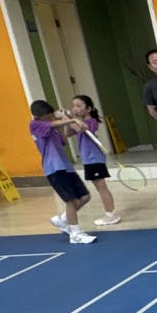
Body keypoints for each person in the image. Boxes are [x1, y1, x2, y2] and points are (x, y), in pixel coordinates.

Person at [28, 100, 96, 244]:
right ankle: (75, 234)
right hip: (54, 168)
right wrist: (73, 119)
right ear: (39, 116)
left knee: (85, 197)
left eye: (51, 115)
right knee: (70, 201)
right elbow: (53, 124)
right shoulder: (34, 125)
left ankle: (62, 219)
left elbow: (64, 136)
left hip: (66, 167)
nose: (51, 117)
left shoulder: (51, 126)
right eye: (48, 116)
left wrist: (66, 117)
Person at [61, 95, 120, 226]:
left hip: (94, 159)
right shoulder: (78, 122)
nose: (75, 109)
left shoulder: (91, 121)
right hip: (88, 160)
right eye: (73, 106)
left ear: (88, 109)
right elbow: (68, 133)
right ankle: (110, 214)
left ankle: (111, 215)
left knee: (102, 188)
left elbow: (79, 128)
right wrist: (67, 121)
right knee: (100, 188)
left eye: (78, 106)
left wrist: (68, 118)